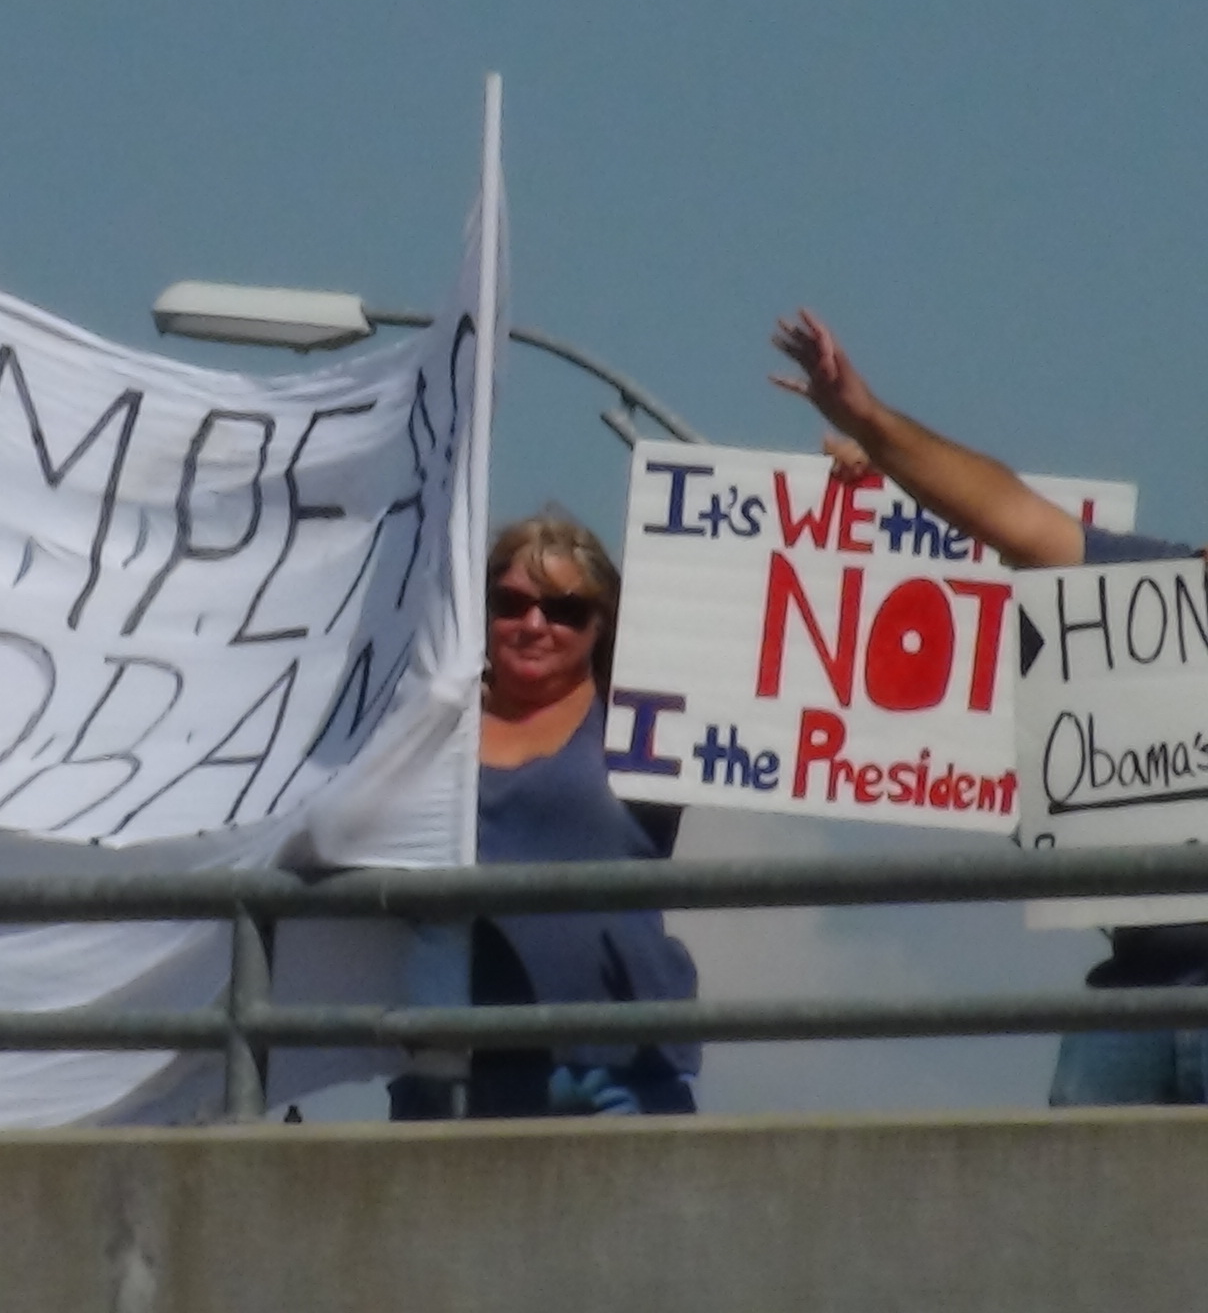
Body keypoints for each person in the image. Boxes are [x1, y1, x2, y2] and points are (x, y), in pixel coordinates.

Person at [772, 306, 1208, 1105]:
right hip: (1139, 989)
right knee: (1071, 1192)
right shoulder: (1145, 593)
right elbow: (1003, 511)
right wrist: (864, 416)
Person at [393, 509, 702, 1119]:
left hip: (624, 1068)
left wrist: (851, 486)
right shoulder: (430, 727)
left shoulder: (647, 728)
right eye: (510, 603)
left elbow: (781, 703)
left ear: (601, 625)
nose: (534, 624)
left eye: (565, 610)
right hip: (460, 1069)